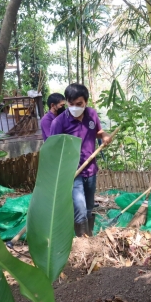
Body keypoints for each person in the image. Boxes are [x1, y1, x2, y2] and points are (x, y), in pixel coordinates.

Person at [49, 84, 113, 237]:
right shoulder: (58, 123)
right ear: (67, 103)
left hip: (90, 169)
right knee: (80, 208)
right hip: (72, 171)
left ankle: (89, 237)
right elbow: (53, 149)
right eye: (71, 104)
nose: (75, 107)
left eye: (79, 104)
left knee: (89, 206)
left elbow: (97, 131)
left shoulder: (91, 114)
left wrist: (104, 136)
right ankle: (81, 242)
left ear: (86, 102)